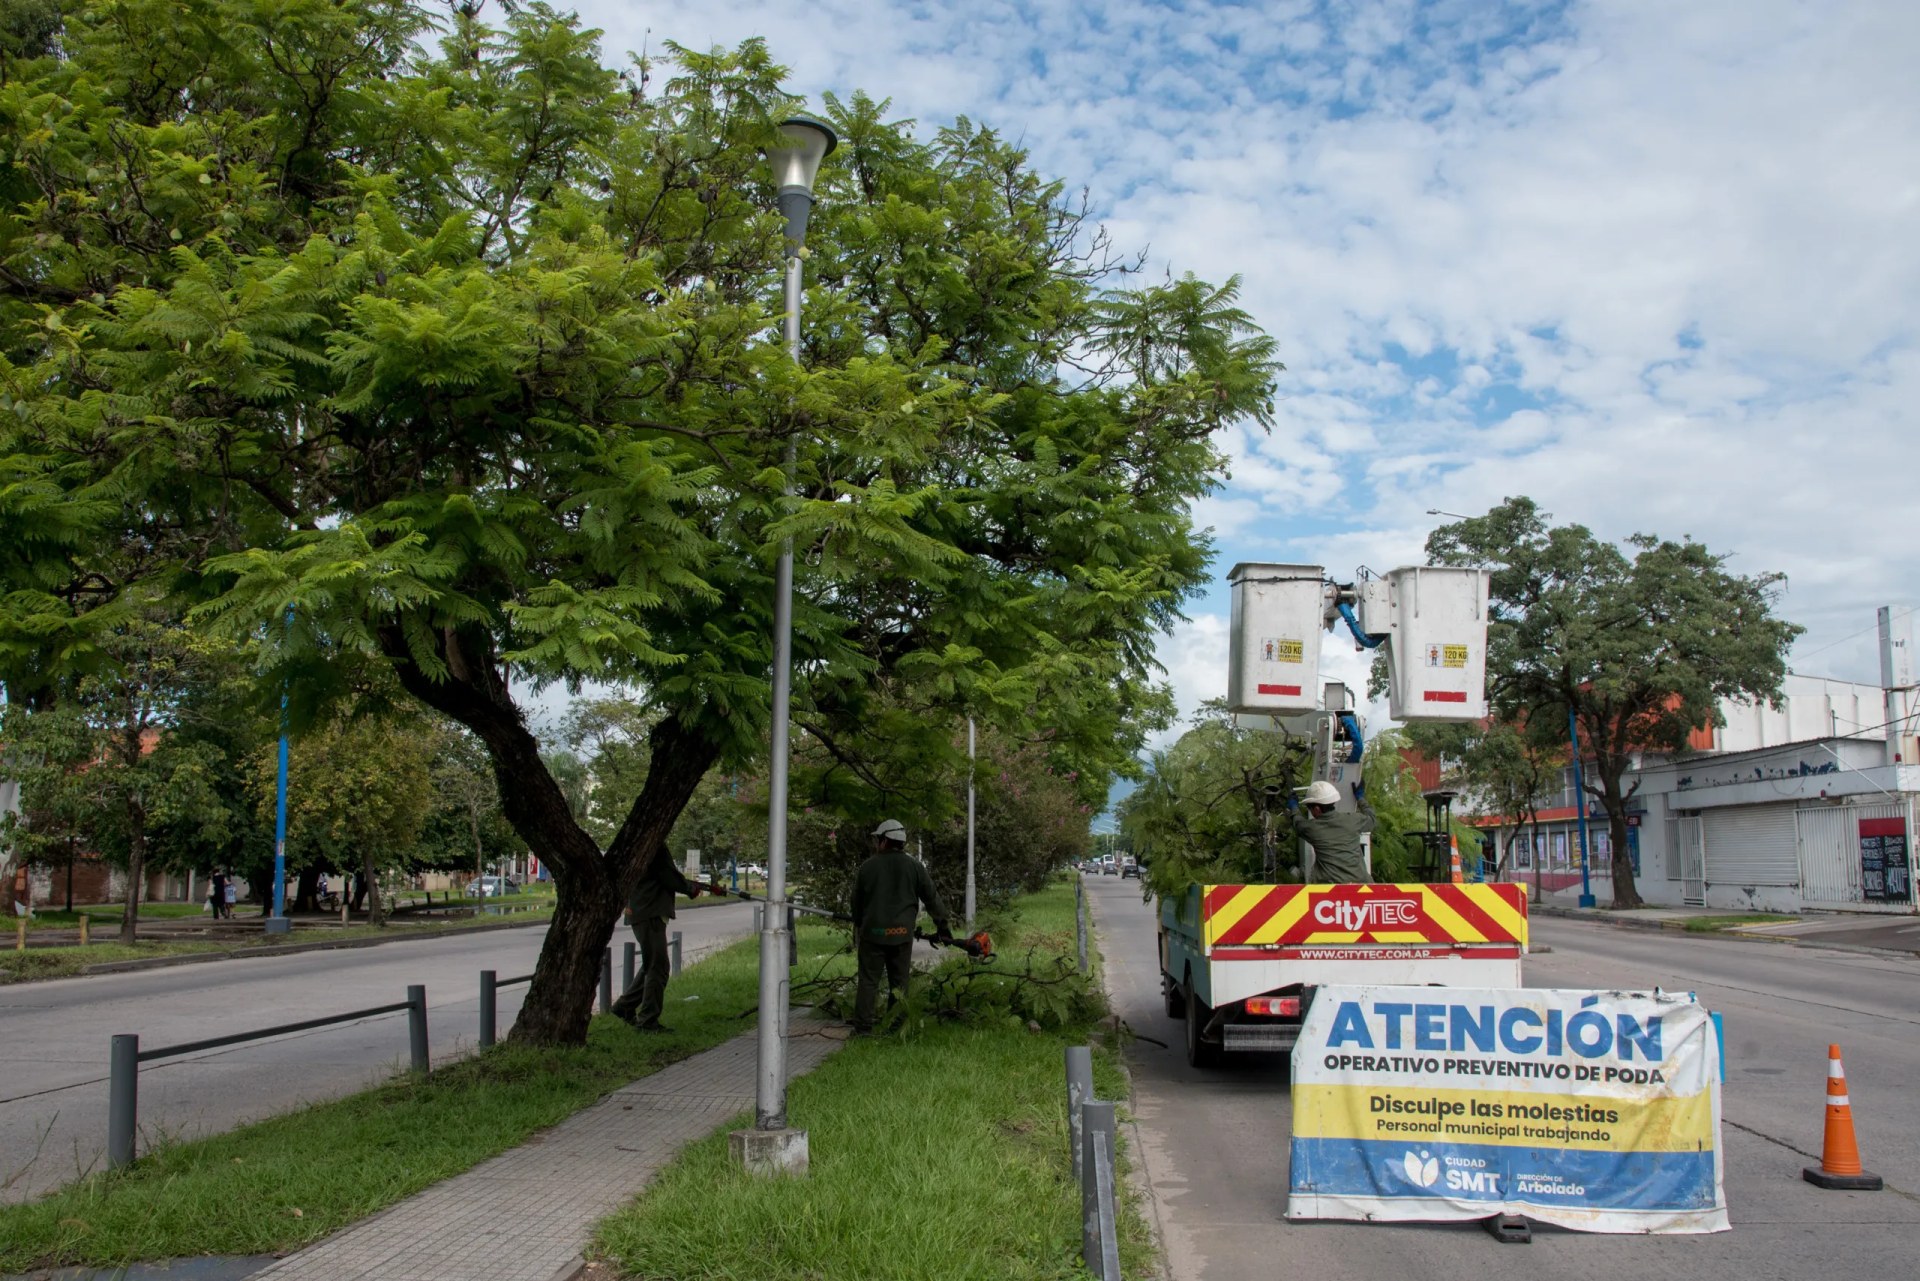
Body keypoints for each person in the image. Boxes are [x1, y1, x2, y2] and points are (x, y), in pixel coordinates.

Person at [848, 819, 952, 1034]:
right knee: (899, 983)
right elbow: (932, 898)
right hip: (902, 935)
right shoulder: (914, 867)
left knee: (868, 982)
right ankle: (895, 1026)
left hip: (872, 935)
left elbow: (856, 903)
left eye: (878, 839)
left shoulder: (868, 867)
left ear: (885, 840)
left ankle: (863, 1029)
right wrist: (943, 928)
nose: (877, 843)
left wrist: (859, 925)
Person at [612, 853, 704, 1032]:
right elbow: (668, 875)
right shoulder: (655, 848)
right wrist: (689, 888)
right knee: (658, 968)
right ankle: (648, 1022)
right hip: (649, 912)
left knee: (652, 964)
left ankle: (624, 1007)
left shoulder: (644, 844)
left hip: (643, 910)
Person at [1291, 779, 1374, 884]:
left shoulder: (1312, 828)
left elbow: (1298, 823)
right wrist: (1360, 798)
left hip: (1330, 888)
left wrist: (1294, 807)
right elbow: (1371, 818)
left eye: (1309, 808)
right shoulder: (1353, 820)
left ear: (1317, 809)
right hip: (1361, 884)